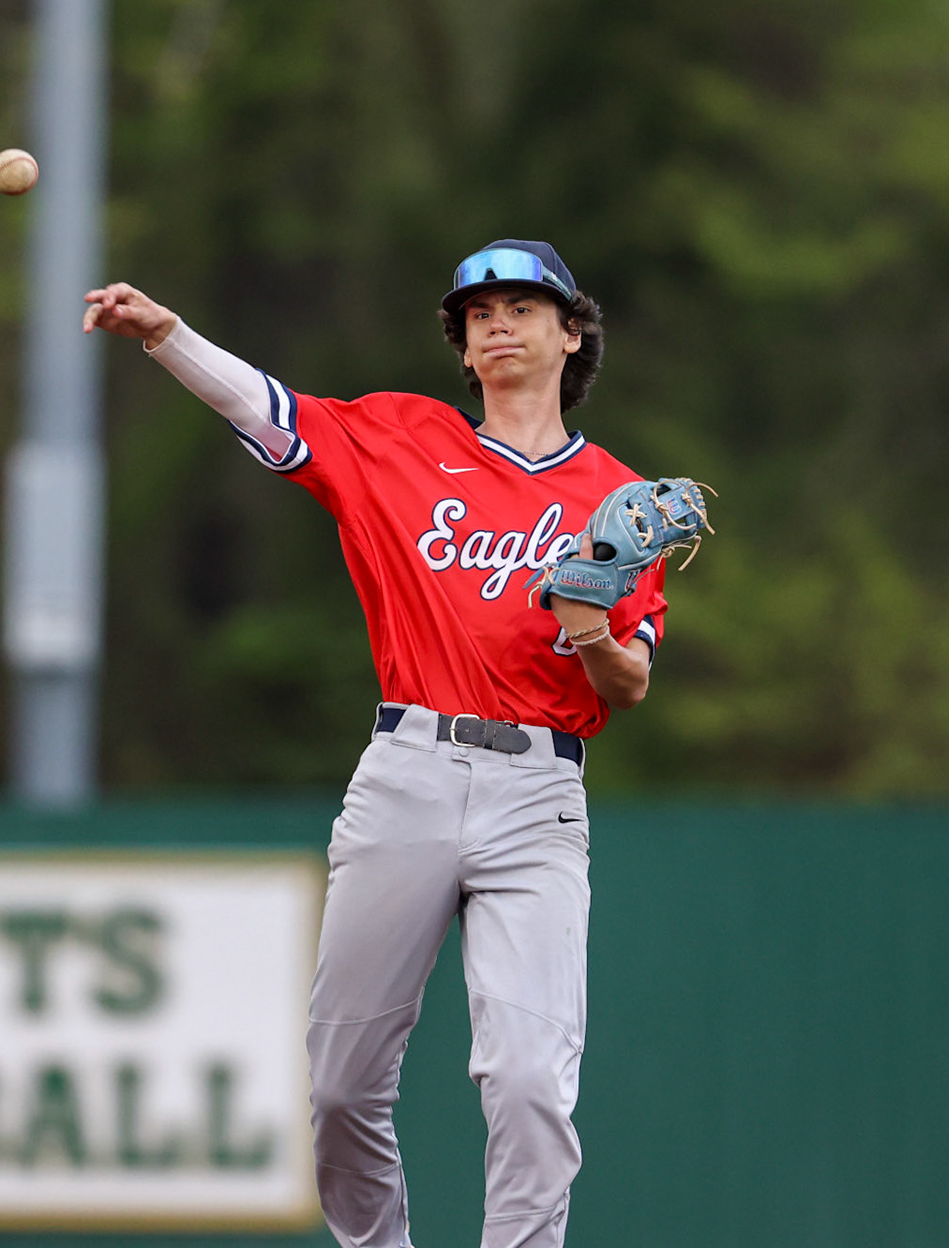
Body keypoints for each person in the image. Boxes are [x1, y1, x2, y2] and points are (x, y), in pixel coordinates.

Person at [82, 240, 668, 1248]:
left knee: (530, 1081)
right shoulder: (399, 438)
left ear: (572, 333)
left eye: (523, 306)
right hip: (409, 772)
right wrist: (167, 336)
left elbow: (631, 682)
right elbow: (264, 407)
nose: (497, 322)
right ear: (463, 347)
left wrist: (587, 626)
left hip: (539, 794)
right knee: (343, 1085)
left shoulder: (621, 500)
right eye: (478, 312)